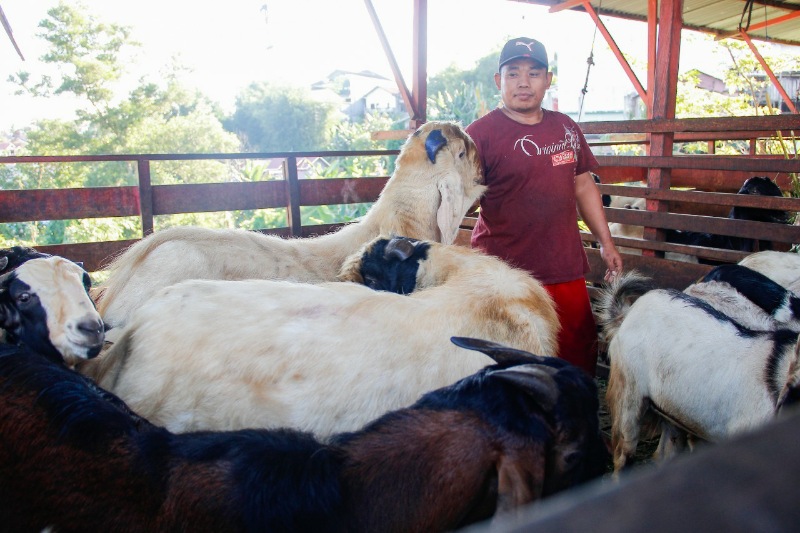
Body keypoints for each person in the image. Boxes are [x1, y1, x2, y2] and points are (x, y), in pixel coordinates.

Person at [466, 36, 623, 377]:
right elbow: (457, 197)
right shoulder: (478, 136)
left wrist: (606, 242)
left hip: (563, 266)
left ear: (548, 80)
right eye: (513, 73)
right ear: (499, 81)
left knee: (576, 354)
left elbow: (583, 185)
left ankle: (573, 426)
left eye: (534, 73)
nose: (523, 82)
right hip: (503, 273)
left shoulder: (566, 127)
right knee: (508, 358)